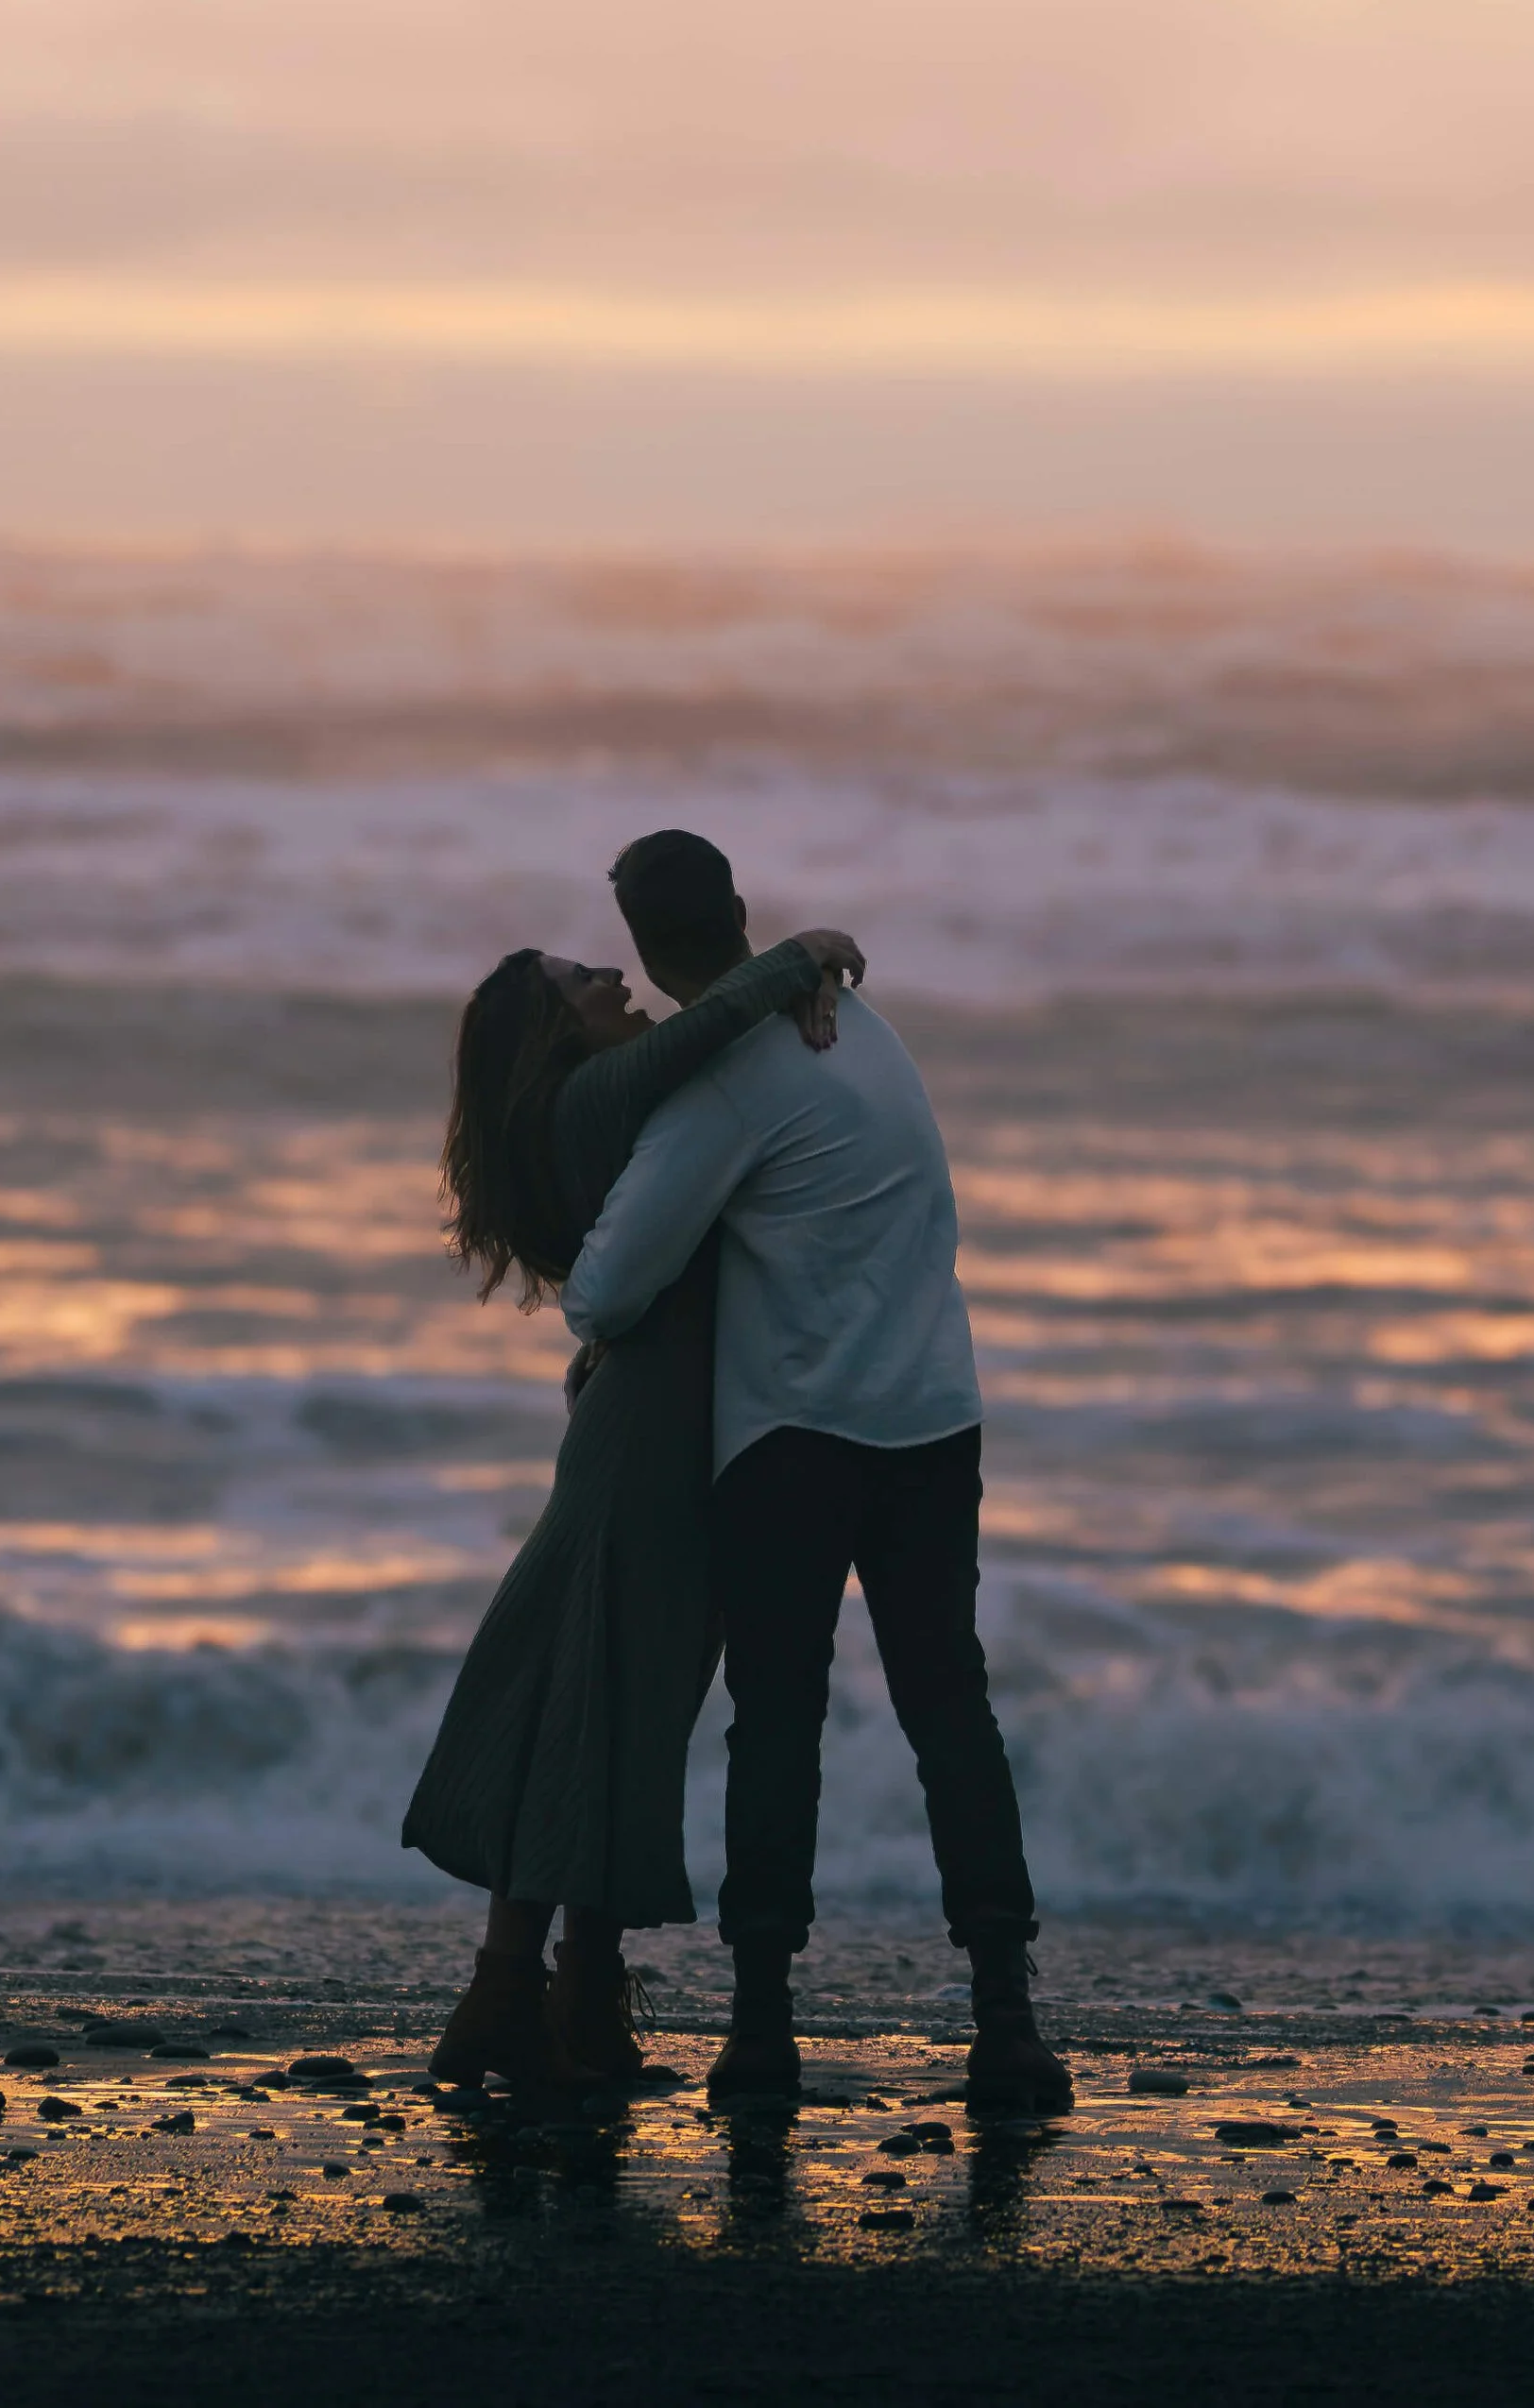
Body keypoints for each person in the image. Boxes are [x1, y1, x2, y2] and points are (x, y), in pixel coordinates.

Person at [564, 829, 1071, 2116]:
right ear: (741, 912)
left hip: (794, 1434)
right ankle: (1006, 2017)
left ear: (641, 944)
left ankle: (761, 2029)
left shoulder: (726, 1081)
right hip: (933, 1413)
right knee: (949, 1706)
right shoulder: (864, 1025)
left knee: (776, 1720)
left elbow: (605, 1290)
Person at [403, 907, 866, 2091]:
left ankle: (522, 1997)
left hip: (639, 1432)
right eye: (580, 978)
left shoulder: (580, 1115)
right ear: (552, 1032)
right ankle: (565, 2010)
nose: (613, 976)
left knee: (587, 1697)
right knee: (617, 1704)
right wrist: (803, 951)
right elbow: (709, 1020)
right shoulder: (597, 1100)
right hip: (652, 1445)